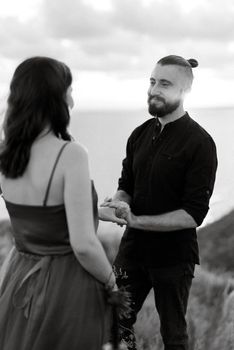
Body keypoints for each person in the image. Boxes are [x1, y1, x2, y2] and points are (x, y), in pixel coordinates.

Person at [0, 56, 121, 350]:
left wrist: (95, 211)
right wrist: (112, 282)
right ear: (54, 96)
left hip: (17, 276)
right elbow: (83, 245)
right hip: (64, 284)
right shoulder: (70, 154)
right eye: (69, 89)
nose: (73, 100)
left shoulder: (6, 153)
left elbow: (38, 218)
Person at [99, 55, 218, 350]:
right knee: (114, 322)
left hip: (174, 259)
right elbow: (126, 185)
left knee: (173, 336)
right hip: (132, 251)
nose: (154, 89)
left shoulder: (201, 143)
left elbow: (193, 214)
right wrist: (120, 204)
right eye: (152, 81)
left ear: (184, 90)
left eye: (164, 83)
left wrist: (136, 220)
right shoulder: (139, 134)